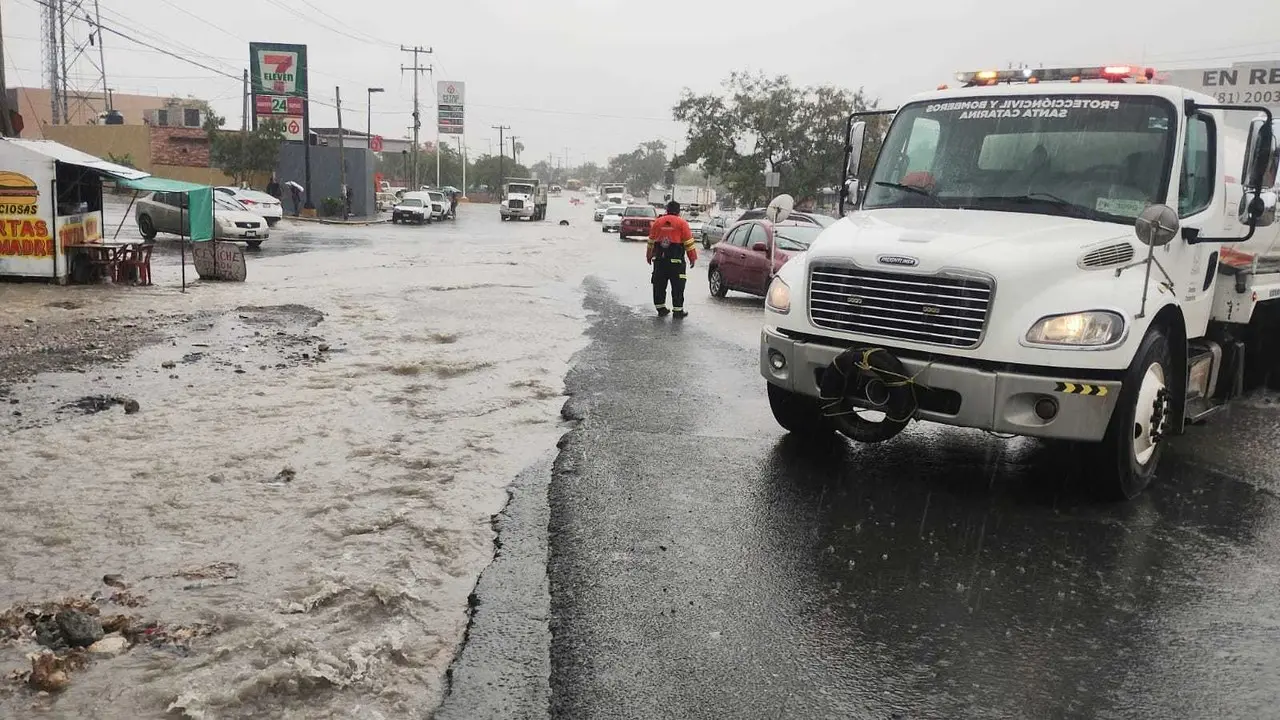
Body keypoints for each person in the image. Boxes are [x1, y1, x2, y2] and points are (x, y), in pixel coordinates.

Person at [647, 200, 698, 319]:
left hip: (660, 261)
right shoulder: (682, 223)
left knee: (659, 285)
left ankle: (660, 308)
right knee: (678, 286)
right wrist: (692, 258)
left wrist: (649, 256)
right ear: (678, 211)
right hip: (676, 262)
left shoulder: (658, 222)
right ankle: (678, 311)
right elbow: (689, 243)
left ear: (667, 210)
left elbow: (651, 242)